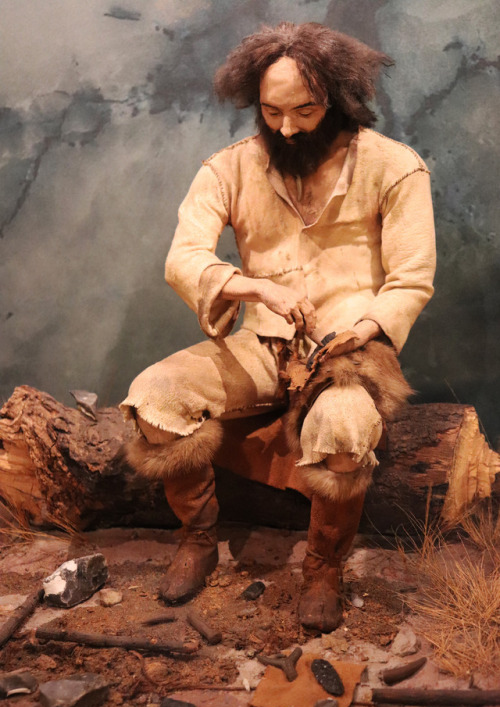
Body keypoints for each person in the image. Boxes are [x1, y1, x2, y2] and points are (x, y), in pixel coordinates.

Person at [120, 22, 436, 633]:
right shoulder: (229, 168)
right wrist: (254, 285)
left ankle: (323, 568)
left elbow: (412, 278)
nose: (286, 127)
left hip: (350, 348)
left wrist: (364, 327)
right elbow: (184, 258)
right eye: (271, 111)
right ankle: (197, 539)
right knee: (156, 397)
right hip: (261, 342)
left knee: (343, 425)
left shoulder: (395, 167)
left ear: (339, 101)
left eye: (305, 111)